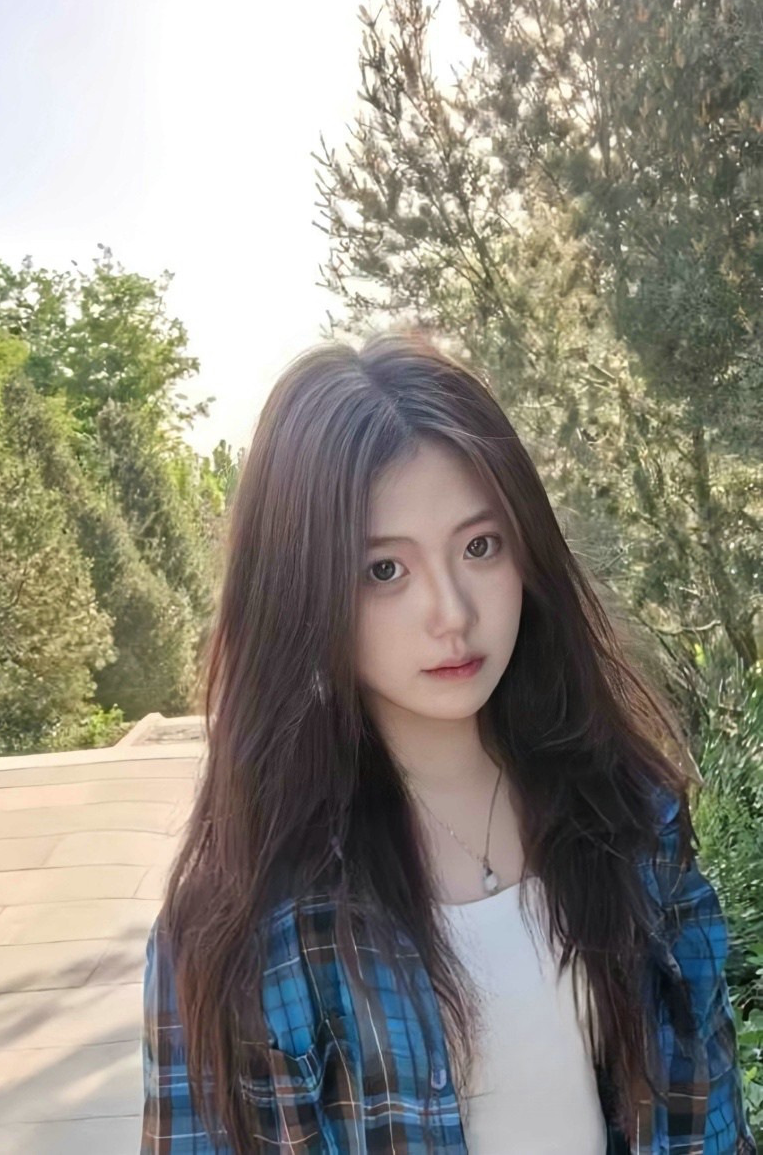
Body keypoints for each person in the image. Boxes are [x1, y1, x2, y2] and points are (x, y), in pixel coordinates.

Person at [140, 333, 756, 1154]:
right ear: (300, 590)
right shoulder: (246, 913)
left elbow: (707, 1115)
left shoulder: (627, 816)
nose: (453, 613)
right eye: (384, 571)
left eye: (479, 546)